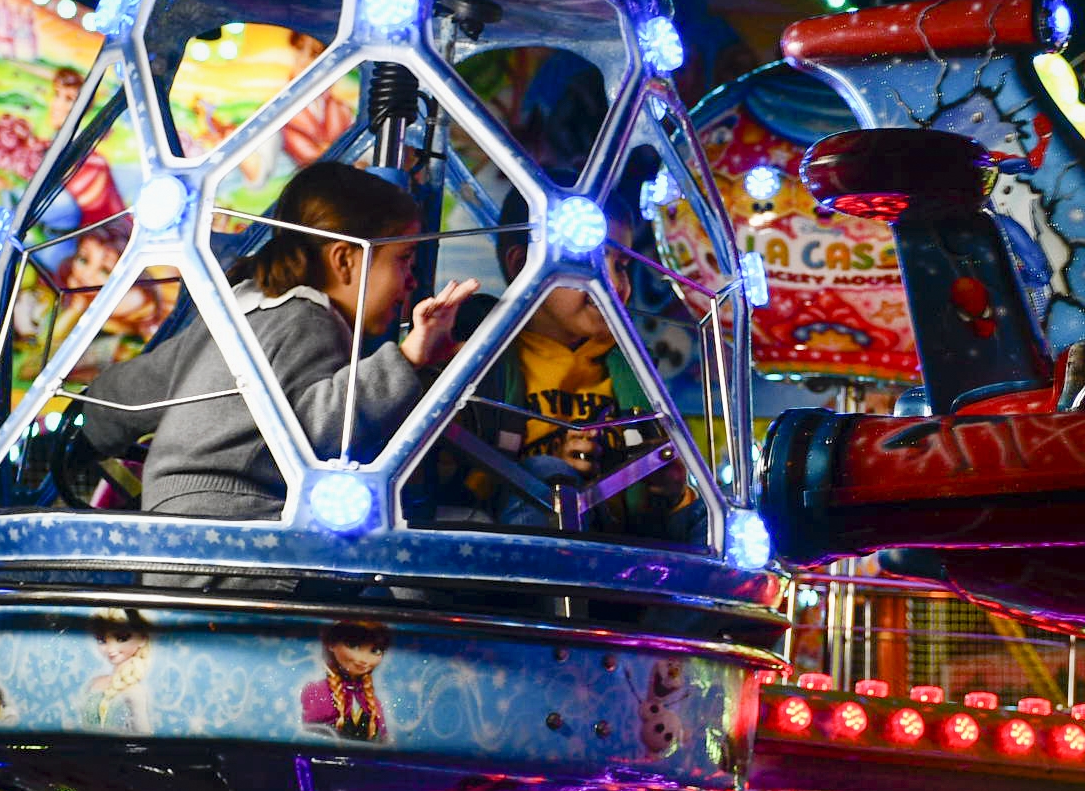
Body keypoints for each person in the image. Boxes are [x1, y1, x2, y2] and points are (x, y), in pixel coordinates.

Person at [79, 161, 474, 519]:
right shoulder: (309, 320)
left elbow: (132, 392)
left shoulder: (237, 312)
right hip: (238, 523)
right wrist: (408, 359)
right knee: (411, 556)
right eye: (404, 259)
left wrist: (90, 426)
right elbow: (316, 432)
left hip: (166, 519)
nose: (412, 281)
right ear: (344, 260)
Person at [446, 185, 690, 535]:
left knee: (707, 512)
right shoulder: (482, 357)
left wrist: (672, 489)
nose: (614, 285)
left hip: (617, 534)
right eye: (588, 261)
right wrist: (560, 476)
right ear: (522, 264)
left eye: (620, 265)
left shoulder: (630, 368)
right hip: (511, 537)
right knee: (547, 473)